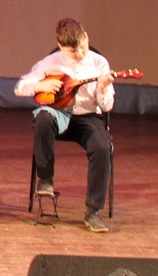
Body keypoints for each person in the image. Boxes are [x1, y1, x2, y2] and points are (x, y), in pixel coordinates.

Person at [14, 18, 116, 233]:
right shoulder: (51, 62)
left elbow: (106, 106)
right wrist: (40, 85)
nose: (79, 53)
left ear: (86, 37)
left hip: (88, 117)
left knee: (102, 146)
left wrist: (102, 89)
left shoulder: (99, 63)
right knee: (43, 117)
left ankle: (93, 211)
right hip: (59, 113)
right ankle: (46, 179)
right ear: (61, 46)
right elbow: (20, 87)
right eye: (72, 51)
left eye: (82, 47)